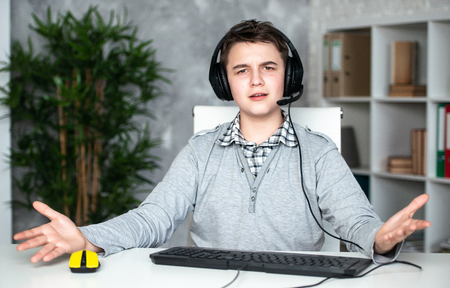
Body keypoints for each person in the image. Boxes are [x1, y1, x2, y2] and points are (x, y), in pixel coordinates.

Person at [14, 20, 430, 264]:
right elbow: (153, 218)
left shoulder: (318, 151)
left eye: (268, 67)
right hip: (207, 286)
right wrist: (87, 238)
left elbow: (355, 220)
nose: (255, 80)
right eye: (241, 70)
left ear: (288, 77)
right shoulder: (200, 150)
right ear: (223, 81)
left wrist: (379, 238)